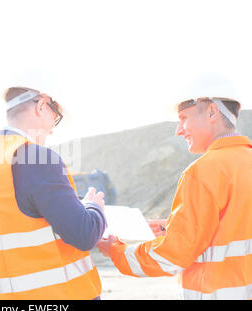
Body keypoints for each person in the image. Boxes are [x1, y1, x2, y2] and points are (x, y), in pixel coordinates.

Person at [98, 97, 252, 300]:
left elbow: (171, 257)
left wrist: (116, 251)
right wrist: (173, 228)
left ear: (212, 112)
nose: (179, 130)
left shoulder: (203, 172)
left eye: (184, 118)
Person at [0, 86, 107, 300]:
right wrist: (93, 206)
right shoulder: (36, 158)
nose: (53, 129)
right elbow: (84, 234)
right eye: (56, 116)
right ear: (42, 106)